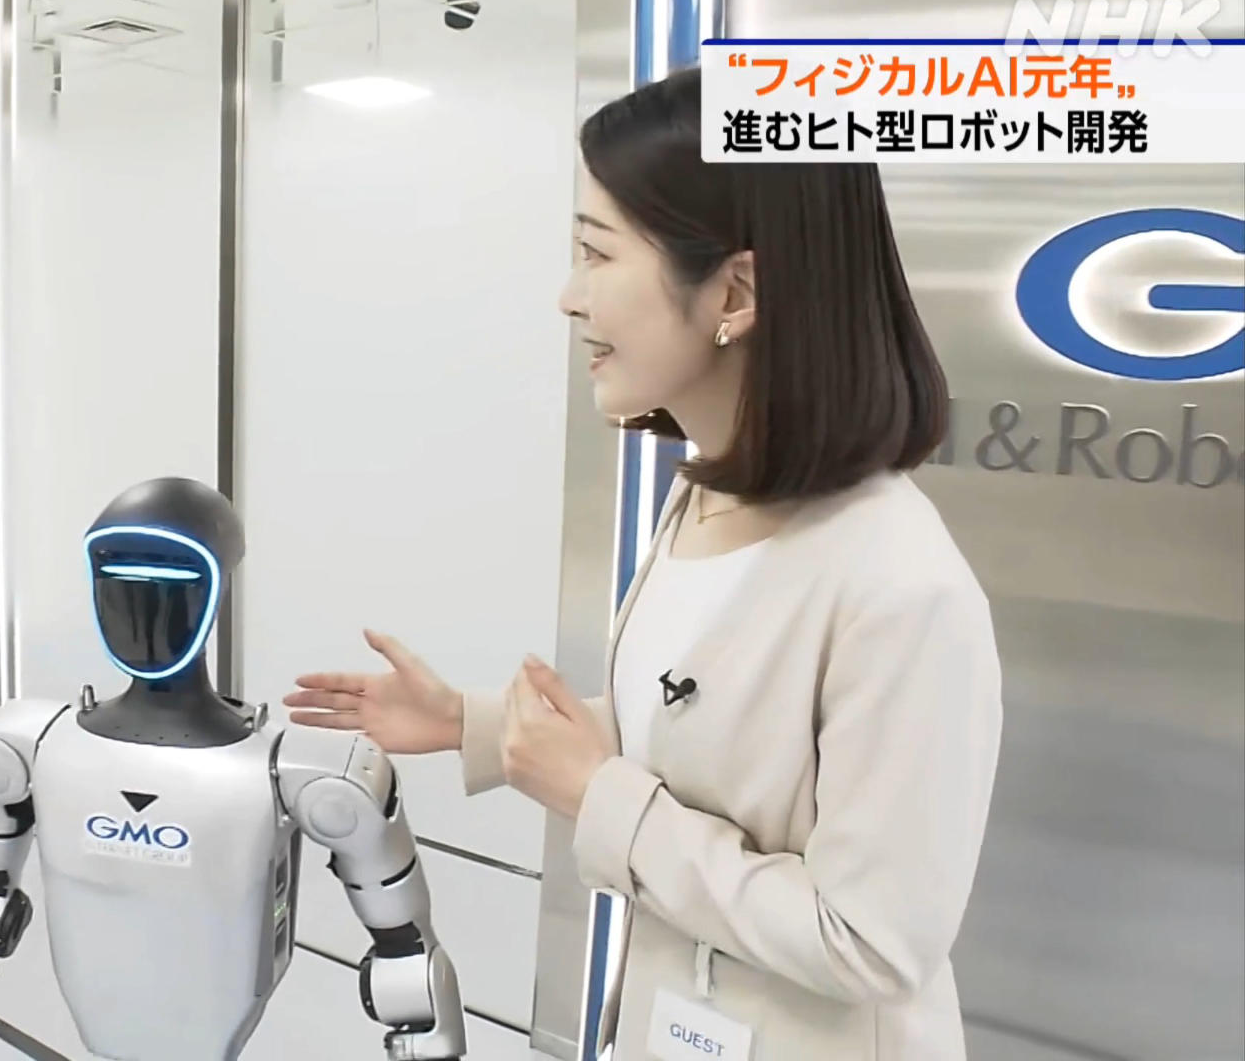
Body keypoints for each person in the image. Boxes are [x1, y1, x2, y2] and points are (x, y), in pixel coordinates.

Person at [283, 65, 1002, 1060]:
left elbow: (871, 942)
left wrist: (601, 799)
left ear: (734, 291)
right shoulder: (705, 495)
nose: (568, 297)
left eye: (595, 252)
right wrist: (471, 723)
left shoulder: (900, 588)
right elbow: (707, 736)